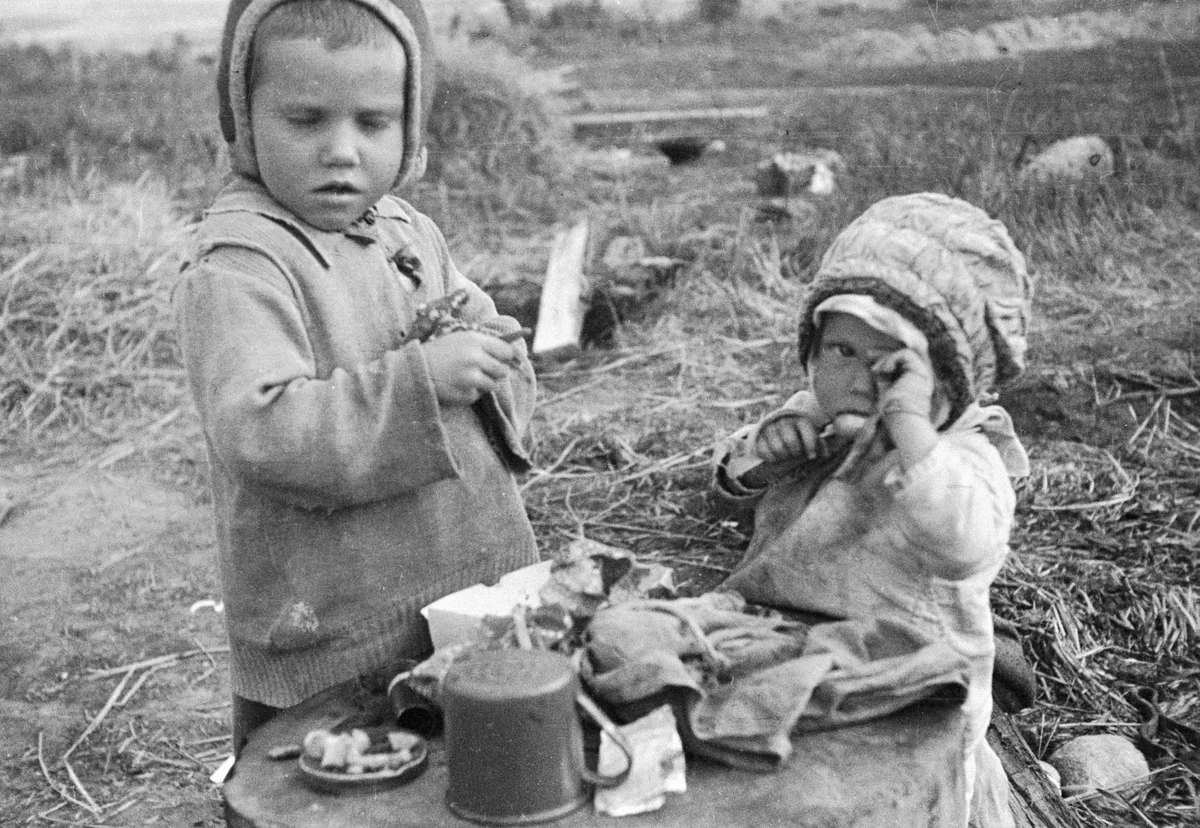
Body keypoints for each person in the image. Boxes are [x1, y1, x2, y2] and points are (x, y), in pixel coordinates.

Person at [172, 0, 538, 755]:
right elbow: (261, 430)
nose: (341, 152)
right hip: (332, 616)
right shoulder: (242, 265)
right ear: (243, 119)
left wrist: (493, 351)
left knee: (469, 763)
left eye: (372, 123)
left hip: (459, 581)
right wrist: (420, 382)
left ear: (409, 126)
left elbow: (480, 332)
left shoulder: (408, 230)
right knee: (333, 775)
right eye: (306, 121)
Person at [712, 193, 1033, 827]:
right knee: (778, 789)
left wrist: (909, 430)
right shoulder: (811, 417)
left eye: (893, 365)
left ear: (951, 377)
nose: (862, 377)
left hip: (910, 680)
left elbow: (964, 542)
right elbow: (727, 476)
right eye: (842, 352)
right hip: (791, 646)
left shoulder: (962, 455)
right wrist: (762, 458)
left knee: (898, 802)